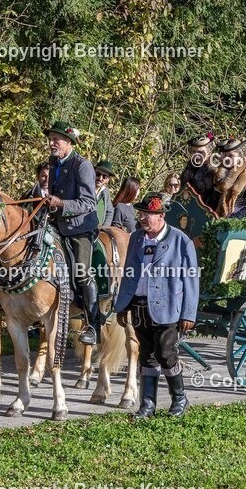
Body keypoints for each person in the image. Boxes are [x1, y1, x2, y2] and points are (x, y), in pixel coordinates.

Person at [113, 192, 199, 418]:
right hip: (140, 306)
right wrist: (123, 305)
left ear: (161, 216)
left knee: (166, 353)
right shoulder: (136, 238)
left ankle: (179, 399)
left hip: (169, 307)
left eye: (147, 214)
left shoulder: (180, 241)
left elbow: (191, 279)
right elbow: (129, 274)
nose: (142, 218)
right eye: (141, 213)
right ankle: (147, 404)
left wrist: (188, 313)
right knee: (146, 355)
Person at [43, 121, 101, 345]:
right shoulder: (53, 161)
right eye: (50, 138)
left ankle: (93, 324)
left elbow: (89, 202)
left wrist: (61, 203)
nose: (51, 142)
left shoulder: (82, 165)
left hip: (80, 228)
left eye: (56, 139)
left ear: (69, 142)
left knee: (82, 272)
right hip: (56, 223)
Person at [179, 133, 220, 210]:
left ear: (209, 152)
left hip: (209, 211)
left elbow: (217, 197)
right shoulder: (188, 168)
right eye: (194, 152)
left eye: (200, 152)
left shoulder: (215, 170)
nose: (196, 155)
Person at [94, 160, 115, 228]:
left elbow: (110, 212)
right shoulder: (84, 188)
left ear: (108, 179)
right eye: (98, 174)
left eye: (104, 176)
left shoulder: (105, 192)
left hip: (99, 231)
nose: (100, 178)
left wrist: (104, 227)